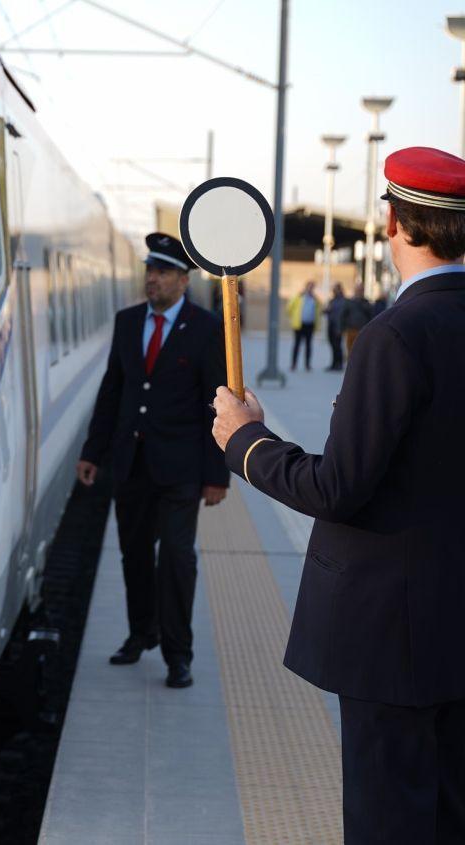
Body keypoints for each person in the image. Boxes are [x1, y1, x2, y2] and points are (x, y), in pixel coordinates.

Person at [211, 146, 465, 843]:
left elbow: (339, 487)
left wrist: (246, 441)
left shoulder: (395, 336)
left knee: (390, 821)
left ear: (393, 224)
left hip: (394, 638)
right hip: (455, 632)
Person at [77, 232, 229, 690]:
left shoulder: (205, 329)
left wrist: (217, 474)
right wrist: (92, 452)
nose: (152, 280)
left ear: (184, 281)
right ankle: (140, 633)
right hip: (131, 463)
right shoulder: (126, 323)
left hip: (180, 469)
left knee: (177, 560)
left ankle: (177, 654)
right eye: (149, 271)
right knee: (134, 555)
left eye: (162, 272)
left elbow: (215, 403)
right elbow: (113, 391)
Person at [286, 280, 320, 371]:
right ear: (306, 287)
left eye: (312, 287)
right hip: (299, 325)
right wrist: (293, 318)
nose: (310, 288)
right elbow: (289, 307)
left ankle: (307, 365)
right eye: (309, 286)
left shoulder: (315, 299)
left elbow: (318, 310)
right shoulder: (299, 297)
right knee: (297, 345)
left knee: (308, 345)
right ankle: (293, 364)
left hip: (310, 325)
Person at [340, 282, 372, 357]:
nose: (359, 292)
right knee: (350, 352)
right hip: (351, 330)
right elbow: (343, 315)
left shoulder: (366, 303)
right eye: (358, 290)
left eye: (361, 290)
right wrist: (342, 328)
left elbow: (371, 316)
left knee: (361, 353)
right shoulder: (349, 302)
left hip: (362, 331)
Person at [324, 282, 346, 371]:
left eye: (335, 289)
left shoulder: (343, 301)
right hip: (331, 325)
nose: (334, 291)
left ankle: (339, 364)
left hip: (338, 326)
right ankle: (333, 364)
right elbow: (327, 311)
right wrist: (326, 310)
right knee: (333, 345)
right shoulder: (332, 300)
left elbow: (343, 315)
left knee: (338, 346)